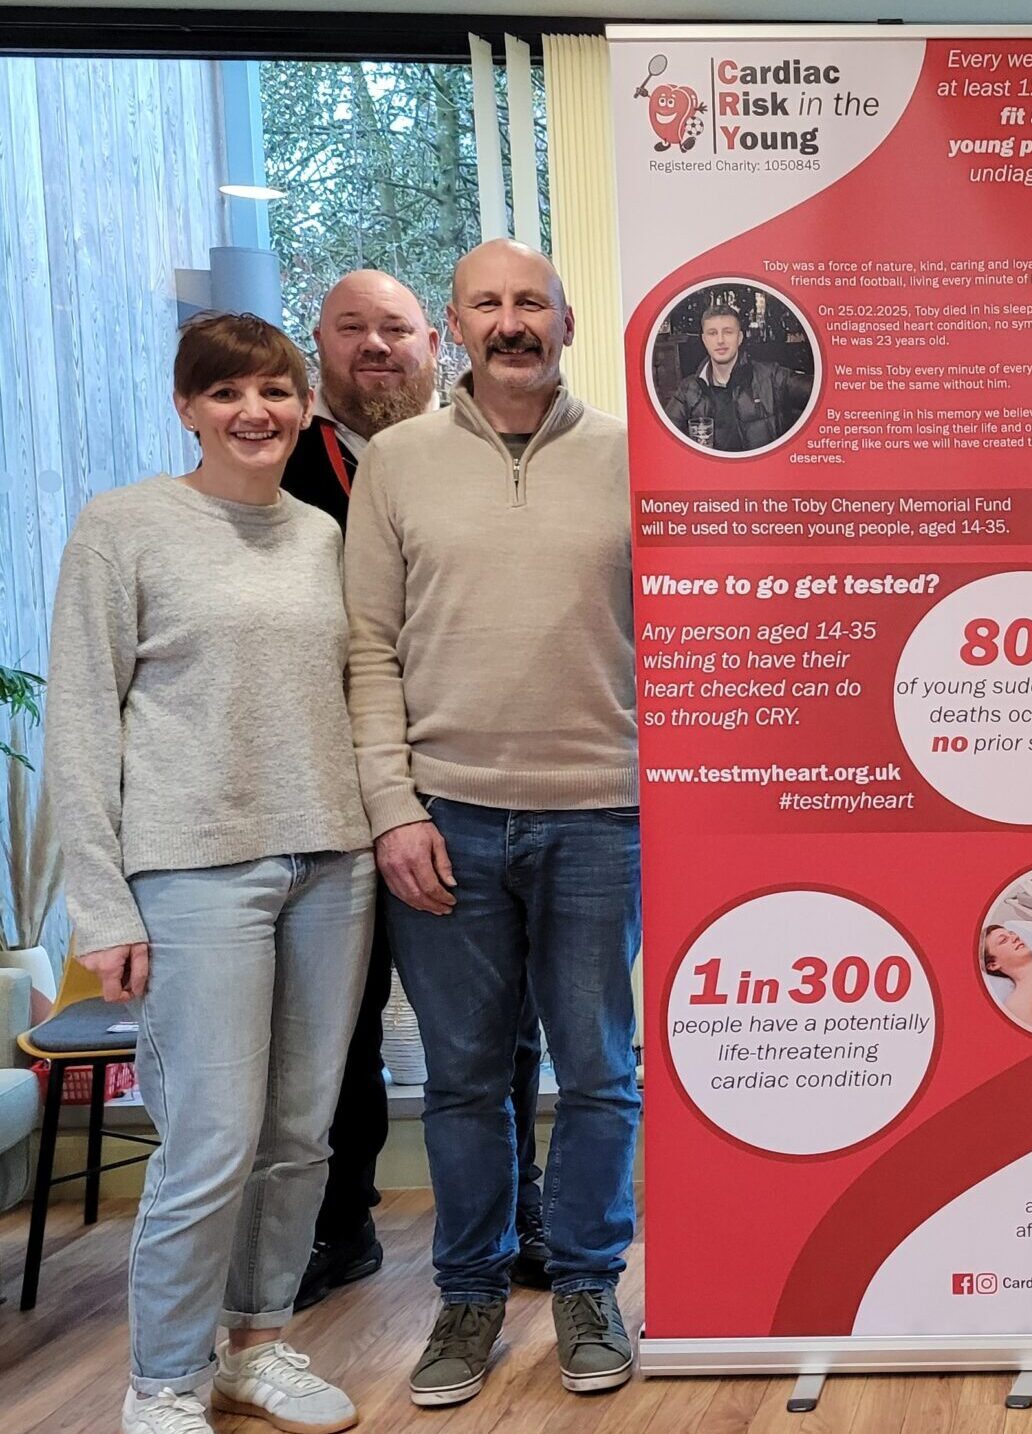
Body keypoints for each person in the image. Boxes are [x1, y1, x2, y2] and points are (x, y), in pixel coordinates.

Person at [46, 313, 372, 1434]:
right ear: (187, 408)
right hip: (192, 872)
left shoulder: (321, 537)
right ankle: (165, 1377)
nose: (255, 412)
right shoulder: (123, 527)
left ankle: (258, 1344)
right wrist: (99, 903)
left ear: (303, 406)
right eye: (226, 392)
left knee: (299, 1135)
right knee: (209, 1138)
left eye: (275, 391)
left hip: (332, 858)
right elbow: (82, 723)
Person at [343, 239, 640, 1405]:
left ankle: (585, 1285)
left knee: (602, 1074)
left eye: (532, 303)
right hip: (446, 821)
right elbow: (367, 648)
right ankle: (466, 1302)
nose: (511, 322)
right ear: (453, 329)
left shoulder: (633, 456)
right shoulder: (398, 465)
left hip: (604, 817)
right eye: (486, 305)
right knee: (464, 1082)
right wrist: (389, 809)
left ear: (567, 324)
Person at [281, 268, 554, 1314]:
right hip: (321, 794)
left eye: (396, 329)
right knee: (337, 1027)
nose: (376, 349)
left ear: (436, 344)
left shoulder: (469, 459)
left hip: (454, 788)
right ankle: (337, 1225)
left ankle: (516, 1216)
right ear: (321, 346)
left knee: (496, 1027)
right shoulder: (276, 464)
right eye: (353, 331)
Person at [664, 302, 814, 451]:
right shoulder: (688, 390)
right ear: (704, 340)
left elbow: (825, 390)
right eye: (712, 333)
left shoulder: (771, 377)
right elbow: (663, 439)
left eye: (728, 332)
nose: (720, 340)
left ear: (740, 337)